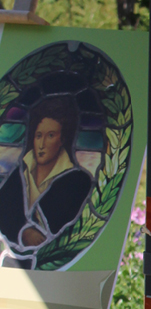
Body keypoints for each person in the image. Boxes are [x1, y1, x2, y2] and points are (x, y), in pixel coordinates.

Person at [0, 96, 91, 256]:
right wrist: (24, 232)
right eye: (38, 136)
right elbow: (4, 211)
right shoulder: (18, 174)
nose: (41, 145)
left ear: (62, 139)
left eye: (50, 135)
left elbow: (70, 230)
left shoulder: (78, 181)